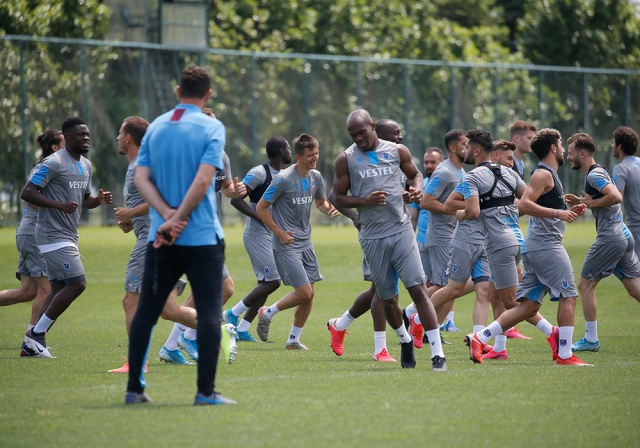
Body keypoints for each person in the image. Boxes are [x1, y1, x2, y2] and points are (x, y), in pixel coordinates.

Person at [125, 66, 235, 405]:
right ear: (208, 94)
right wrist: (181, 216)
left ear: (177, 91)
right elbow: (203, 182)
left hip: (161, 238)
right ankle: (205, 392)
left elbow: (141, 178)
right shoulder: (211, 126)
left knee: (147, 312)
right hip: (201, 237)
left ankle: (134, 390)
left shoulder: (157, 127)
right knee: (210, 314)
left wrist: (166, 215)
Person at [465, 129, 591, 365]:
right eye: (561, 145)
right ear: (553, 148)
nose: (564, 150)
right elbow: (524, 204)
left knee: (527, 306)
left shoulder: (549, 175)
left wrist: (568, 208)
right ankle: (565, 354)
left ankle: (479, 338)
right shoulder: (543, 174)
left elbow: (535, 204)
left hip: (535, 245)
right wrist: (559, 214)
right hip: (546, 245)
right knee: (569, 295)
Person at [333, 108, 447, 371]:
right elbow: (337, 197)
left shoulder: (397, 151)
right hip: (372, 237)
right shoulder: (346, 159)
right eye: (353, 135)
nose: (358, 138)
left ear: (372, 126)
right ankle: (404, 340)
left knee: (418, 290)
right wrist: (364, 201)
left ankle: (437, 355)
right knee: (387, 300)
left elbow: (415, 175)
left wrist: (416, 190)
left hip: (401, 230)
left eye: (362, 132)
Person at [449, 130, 553, 363]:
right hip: (516, 240)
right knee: (494, 296)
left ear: (477, 151)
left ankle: (551, 332)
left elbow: (471, 211)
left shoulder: (473, 176)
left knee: (513, 303)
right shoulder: (510, 174)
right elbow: (527, 201)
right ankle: (499, 348)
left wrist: (461, 214)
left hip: (498, 245)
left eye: (467, 146)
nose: (464, 150)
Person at [109, 116, 199, 373]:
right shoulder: (137, 165)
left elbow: (167, 198)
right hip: (158, 239)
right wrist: (132, 221)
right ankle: (220, 328)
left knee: (131, 301)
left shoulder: (142, 164)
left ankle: (136, 364)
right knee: (168, 309)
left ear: (128, 137)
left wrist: (131, 213)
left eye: (120, 133)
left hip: (153, 242)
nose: (117, 137)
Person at [21, 117, 112, 358]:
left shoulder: (86, 165)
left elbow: (84, 200)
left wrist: (98, 200)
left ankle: (30, 341)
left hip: (69, 235)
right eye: (81, 134)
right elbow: (27, 192)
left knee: (59, 287)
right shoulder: (53, 162)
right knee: (78, 283)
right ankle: (36, 335)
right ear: (67, 137)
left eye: (88, 134)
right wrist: (58, 205)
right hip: (51, 234)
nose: (86, 137)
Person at [254, 133, 339, 349]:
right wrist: (279, 233)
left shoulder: (316, 177)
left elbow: (320, 203)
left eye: (316, 153)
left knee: (309, 296)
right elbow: (261, 208)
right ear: (299, 156)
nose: (315, 158)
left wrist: (329, 209)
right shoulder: (283, 179)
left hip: (306, 242)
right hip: (286, 244)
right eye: (310, 155)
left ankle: (293, 340)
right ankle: (267, 312)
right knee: (304, 293)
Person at [565, 132, 640, 353]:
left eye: (570, 153)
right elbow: (606, 200)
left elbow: (616, 197)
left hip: (611, 237)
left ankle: (591, 339)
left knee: (585, 285)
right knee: (634, 288)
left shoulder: (593, 175)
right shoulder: (601, 170)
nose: (568, 157)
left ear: (582, 154)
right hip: (623, 234)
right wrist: (582, 201)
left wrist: (590, 203)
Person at [0, 130, 64, 357]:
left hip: (29, 234)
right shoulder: (47, 166)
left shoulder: (54, 166)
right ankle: (32, 340)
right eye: (65, 141)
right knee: (47, 290)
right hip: (35, 235)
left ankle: (32, 338)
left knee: (27, 292)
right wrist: (59, 210)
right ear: (55, 147)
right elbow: (32, 198)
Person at [226, 136, 292, 342]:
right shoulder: (259, 173)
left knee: (264, 283)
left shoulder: (285, 175)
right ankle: (232, 313)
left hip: (271, 235)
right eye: (288, 148)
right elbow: (236, 200)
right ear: (281, 151)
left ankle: (243, 329)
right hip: (256, 234)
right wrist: (260, 217)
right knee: (273, 281)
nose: (290, 152)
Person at [405, 130, 466, 347]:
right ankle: (411, 315)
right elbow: (426, 202)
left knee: (449, 286)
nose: (468, 148)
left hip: (452, 236)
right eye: (464, 144)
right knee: (445, 286)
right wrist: (453, 210)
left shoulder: (460, 171)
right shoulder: (445, 172)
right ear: (453, 148)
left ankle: (427, 327)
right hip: (441, 237)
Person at [611, 126, 640, 257]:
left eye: (614, 142)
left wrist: (590, 202)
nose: (612, 145)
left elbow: (616, 199)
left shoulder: (621, 169)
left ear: (620, 146)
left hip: (636, 227)